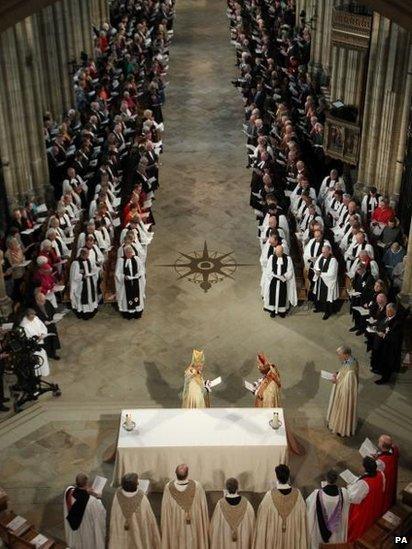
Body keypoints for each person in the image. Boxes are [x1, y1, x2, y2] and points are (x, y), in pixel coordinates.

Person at [253, 464, 308, 549]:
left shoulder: (269, 496)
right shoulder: (298, 496)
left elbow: (262, 524)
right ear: (288, 477)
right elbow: (303, 523)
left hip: (273, 539)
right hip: (292, 538)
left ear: (277, 477)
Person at [161, 464, 209, 549]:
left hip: (176, 523)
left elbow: (165, 511)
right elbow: (203, 509)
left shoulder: (168, 487)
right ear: (187, 473)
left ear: (175, 473)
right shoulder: (197, 486)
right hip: (194, 522)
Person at [109, 472, 160, 549]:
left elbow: (114, 515)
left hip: (120, 533)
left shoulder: (117, 494)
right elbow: (149, 519)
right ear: (136, 485)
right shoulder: (142, 498)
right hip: (138, 534)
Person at [306, 469, 350, 548]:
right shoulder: (344, 493)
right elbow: (345, 511)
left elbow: (309, 504)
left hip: (319, 532)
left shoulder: (317, 494)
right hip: (336, 532)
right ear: (336, 480)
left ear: (326, 479)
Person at [64, 472, 106, 549]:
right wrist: (99, 498)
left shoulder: (68, 491)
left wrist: (86, 492)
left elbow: (79, 494)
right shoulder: (92, 502)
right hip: (85, 530)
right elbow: (101, 514)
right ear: (87, 483)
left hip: (74, 528)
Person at [347, 457, 385, 542]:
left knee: (358, 527)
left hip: (365, 509)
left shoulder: (364, 483)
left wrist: (349, 487)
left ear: (365, 468)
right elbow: (382, 488)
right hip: (375, 503)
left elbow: (353, 499)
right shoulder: (381, 474)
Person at [210, 477, 255, 549]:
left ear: (227, 488)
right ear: (237, 488)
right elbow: (252, 527)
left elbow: (214, 529)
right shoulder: (247, 504)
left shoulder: (220, 505)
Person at [326, 346, 358, 437]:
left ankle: (341, 428)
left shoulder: (351, 371)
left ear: (346, 354)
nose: (338, 357)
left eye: (340, 355)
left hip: (345, 395)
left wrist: (336, 381)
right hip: (342, 389)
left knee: (343, 410)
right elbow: (343, 368)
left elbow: (348, 386)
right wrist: (336, 373)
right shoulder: (349, 360)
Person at [371, 303, 404, 384]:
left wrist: (384, 335)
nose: (386, 312)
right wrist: (376, 326)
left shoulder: (397, 323)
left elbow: (395, 338)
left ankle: (385, 378)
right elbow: (382, 323)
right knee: (380, 360)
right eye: (386, 310)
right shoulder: (388, 317)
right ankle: (379, 370)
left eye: (388, 311)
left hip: (389, 348)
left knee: (386, 363)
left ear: (393, 311)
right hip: (382, 344)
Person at [262, 244, 297, 318]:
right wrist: (273, 275)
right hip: (273, 281)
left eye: (279, 253)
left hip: (283, 281)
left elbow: (290, 271)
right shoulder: (272, 257)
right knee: (273, 295)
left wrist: (284, 277)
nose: (277, 255)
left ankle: (282, 311)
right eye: (276, 253)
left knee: (282, 295)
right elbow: (268, 270)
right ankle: (273, 310)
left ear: (282, 252)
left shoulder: (288, 259)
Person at [115, 245, 146, 319]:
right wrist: (123, 277)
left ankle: (137, 312)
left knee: (137, 297)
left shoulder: (136, 259)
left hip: (136, 283)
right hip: (126, 284)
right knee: (127, 298)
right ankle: (128, 314)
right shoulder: (120, 261)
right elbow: (117, 273)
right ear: (124, 253)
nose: (130, 254)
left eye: (130, 252)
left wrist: (139, 274)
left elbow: (142, 269)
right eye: (128, 253)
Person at [69, 248, 99, 319]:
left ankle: (91, 310)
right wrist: (83, 276)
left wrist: (94, 271)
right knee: (83, 297)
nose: (88, 256)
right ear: (82, 254)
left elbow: (93, 268)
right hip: (81, 284)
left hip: (89, 282)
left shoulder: (88, 260)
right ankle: (83, 312)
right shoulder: (75, 263)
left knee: (90, 295)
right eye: (87, 254)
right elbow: (74, 276)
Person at [19, 308, 50, 377]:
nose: (33, 318)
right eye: (31, 317)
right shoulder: (23, 325)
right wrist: (36, 339)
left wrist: (42, 333)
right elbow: (26, 337)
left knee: (43, 355)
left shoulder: (36, 318)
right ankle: (37, 373)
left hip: (41, 339)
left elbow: (42, 326)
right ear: (27, 316)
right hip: (33, 345)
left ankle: (44, 372)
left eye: (34, 316)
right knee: (36, 359)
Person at [312, 245, 339, 320]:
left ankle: (327, 312)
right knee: (318, 293)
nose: (322, 254)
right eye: (322, 252)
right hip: (320, 280)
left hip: (328, 282)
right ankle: (319, 308)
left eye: (324, 252)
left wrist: (321, 274)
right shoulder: (321, 256)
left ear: (329, 251)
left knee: (327, 296)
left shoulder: (333, 260)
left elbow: (332, 274)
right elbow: (316, 265)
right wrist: (317, 270)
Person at [375, 434, 399, 513]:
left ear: (382, 445)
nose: (378, 442)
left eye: (379, 441)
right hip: (392, 475)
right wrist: (378, 455)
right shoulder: (395, 449)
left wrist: (373, 460)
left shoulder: (380, 461)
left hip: (385, 480)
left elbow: (375, 471)